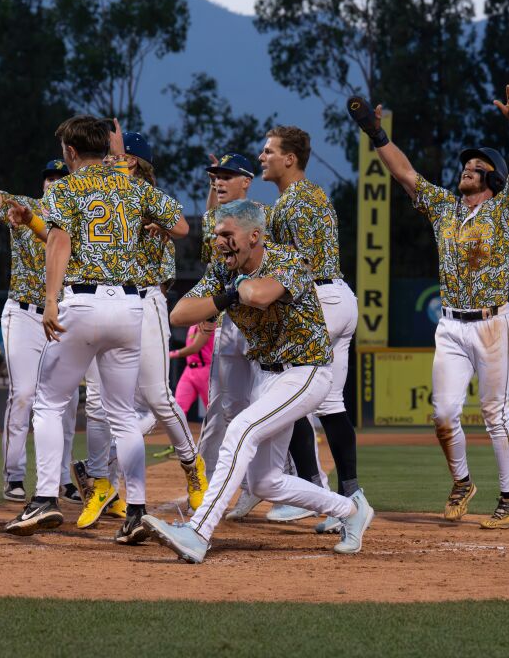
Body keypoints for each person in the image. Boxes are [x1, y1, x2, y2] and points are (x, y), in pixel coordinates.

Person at [143, 200, 374, 563]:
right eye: (217, 234)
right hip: (266, 375)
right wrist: (228, 294)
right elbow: (179, 313)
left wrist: (230, 293)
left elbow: (261, 295)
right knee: (266, 481)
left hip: (306, 370)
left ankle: (198, 532)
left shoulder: (289, 260)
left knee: (240, 430)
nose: (219, 241)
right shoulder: (223, 269)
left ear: (254, 236)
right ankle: (350, 509)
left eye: (227, 234)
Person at [351, 87, 509, 528]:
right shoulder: (445, 208)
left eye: (477, 167)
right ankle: (462, 481)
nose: (466, 169)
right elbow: (407, 174)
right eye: (465, 165)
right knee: (443, 413)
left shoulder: (506, 209)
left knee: (494, 412)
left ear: (492, 180)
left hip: (492, 324)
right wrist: (376, 134)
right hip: (450, 325)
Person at [4, 116, 189, 545]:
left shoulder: (68, 188)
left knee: (49, 403)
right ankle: (137, 509)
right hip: (129, 308)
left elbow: (59, 241)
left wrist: (50, 299)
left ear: (70, 152)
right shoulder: (134, 186)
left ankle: (46, 499)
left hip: (83, 303)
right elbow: (180, 225)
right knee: (123, 414)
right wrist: (153, 223)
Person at [0, 128, 82, 503]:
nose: (53, 182)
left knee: (65, 402)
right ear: (42, 183)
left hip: (63, 315)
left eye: (60, 178)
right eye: (49, 178)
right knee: (24, 395)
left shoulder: (77, 219)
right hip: (23, 313)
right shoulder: (22, 206)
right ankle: (14, 476)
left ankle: (64, 479)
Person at [258, 125, 363, 529]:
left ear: (290, 158)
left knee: (288, 390)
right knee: (331, 405)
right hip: (339, 298)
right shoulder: (308, 195)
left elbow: (298, 265)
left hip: (319, 300)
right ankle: (350, 496)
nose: (263, 157)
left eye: (270, 151)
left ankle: (309, 488)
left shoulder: (295, 204)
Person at [191, 153, 268, 520]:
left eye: (226, 176)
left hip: (262, 321)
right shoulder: (214, 219)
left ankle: (268, 486)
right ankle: (204, 487)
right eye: (214, 177)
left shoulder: (261, 217)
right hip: (228, 321)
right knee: (220, 408)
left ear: (247, 181)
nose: (218, 182)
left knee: (267, 405)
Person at [171, 322, 215, 419]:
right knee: (178, 409)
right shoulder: (192, 325)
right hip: (189, 370)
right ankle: (182, 434)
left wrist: (171, 354)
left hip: (205, 371)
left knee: (213, 412)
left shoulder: (208, 322)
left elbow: (195, 347)